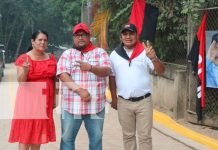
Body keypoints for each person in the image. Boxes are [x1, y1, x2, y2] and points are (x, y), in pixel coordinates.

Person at [109, 23, 165, 150]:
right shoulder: (114, 55)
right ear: (121, 37)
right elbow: (111, 77)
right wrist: (114, 98)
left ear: (136, 35)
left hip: (144, 102)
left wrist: (154, 58)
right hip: (124, 102)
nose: (128, 36)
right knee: (128, 136)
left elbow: (161, 71)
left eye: (131, 33)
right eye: (125, 34)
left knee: (145, 137)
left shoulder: (144, 52)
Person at [57, 23, 111, 150]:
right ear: (73, 37)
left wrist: (91, 68)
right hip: (71, 107)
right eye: (77, 35)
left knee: (96, 141)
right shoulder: (68, 54)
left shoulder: (100, 52)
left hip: (95, 107)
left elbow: (107, 71)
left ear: (89, 36)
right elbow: (63, 75)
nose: (80, 38)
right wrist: (80, 90)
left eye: (83, 35)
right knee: (67, 141)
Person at [8, 30, 57, 150]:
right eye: (40, 40)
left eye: (45, 40)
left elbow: (54, 80)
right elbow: (21, 82)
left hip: (45, 101)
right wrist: (25, 71)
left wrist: (55, 98)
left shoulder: (51, 58)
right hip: (28, 101)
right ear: (33, 42)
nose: (42, 42)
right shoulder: (24, 58)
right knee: (26, 133)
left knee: (38, 133)